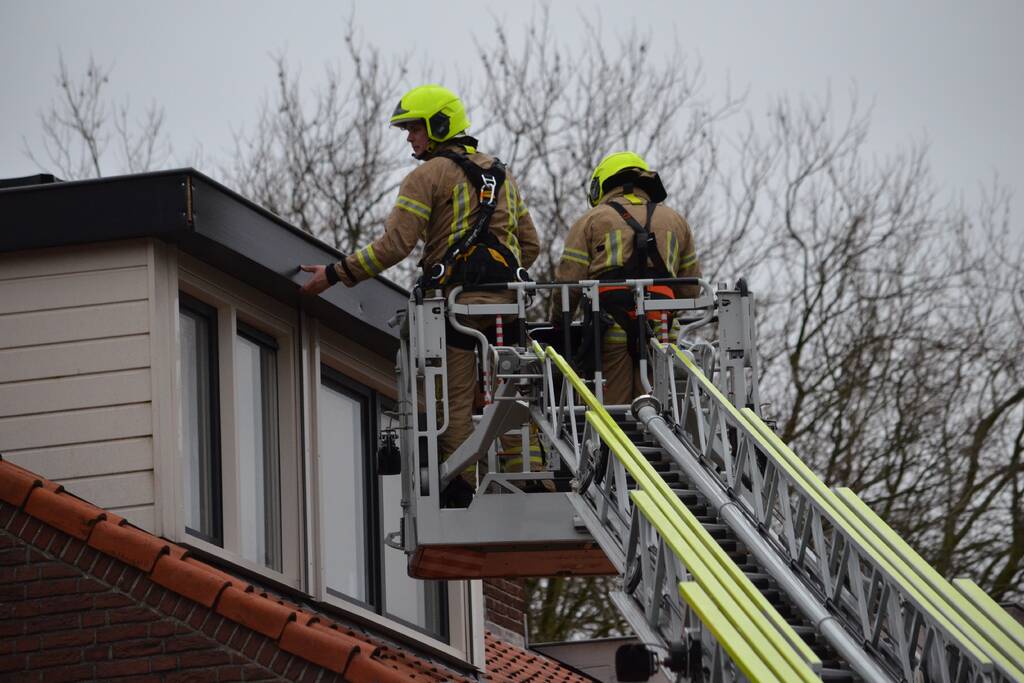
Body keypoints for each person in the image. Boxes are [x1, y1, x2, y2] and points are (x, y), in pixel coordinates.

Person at [300, 85, 540, 506]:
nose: (409, 138)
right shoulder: (502, 175)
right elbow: (531, 245)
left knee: (452, 408)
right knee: (513, 397)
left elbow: (395, 245)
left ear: (440, 125)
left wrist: (336, 274)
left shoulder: (425, 176)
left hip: (454, 311)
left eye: (415, 128)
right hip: (507, 307)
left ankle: (463, 489)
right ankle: (536, 482)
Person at [549, 151, 701, 405]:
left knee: (614, 413)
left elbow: (568, 283)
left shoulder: (593, 219)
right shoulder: (676, 221)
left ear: (603, 184)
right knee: (662, 410)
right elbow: (690, 290)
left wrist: (558, 324)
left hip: (610, 328)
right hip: (662, 329)